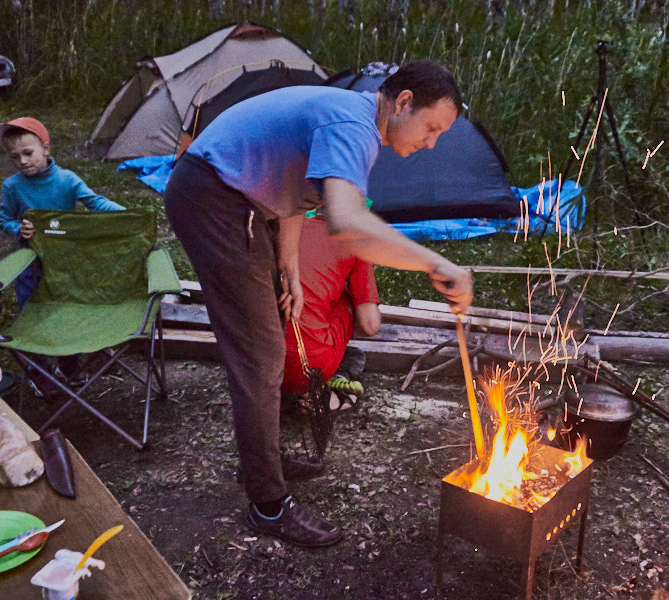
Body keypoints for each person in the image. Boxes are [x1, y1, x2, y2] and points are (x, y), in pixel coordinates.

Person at [163, 60, 473, 549]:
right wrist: (436, 263)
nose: (430, 142)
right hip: (214, 197)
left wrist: (289, 267)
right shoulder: (353, 124)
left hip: (241, 198)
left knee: (269, 330)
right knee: (260, 354)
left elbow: (294, 195)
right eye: (431, 128)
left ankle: (259, 454)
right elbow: (347, 224)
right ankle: (267, 503)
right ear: (405, 102)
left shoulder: (354, 117)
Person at [0, 117, 125, 393]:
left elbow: (94, 202)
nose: (23, 161)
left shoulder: (66, 180)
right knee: (36, 315)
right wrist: (18, 228)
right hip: (31, 265)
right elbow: (4, 220)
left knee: (67, 312)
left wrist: (127, 215)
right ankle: (39, 372)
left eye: (28, 153)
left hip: (65, 262)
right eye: (14, 157)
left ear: (45, 148)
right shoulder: (12, 187)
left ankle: (70, 365)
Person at [280, 212, 381, 411]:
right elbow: (370, 325)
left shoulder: (281, 230)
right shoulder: (354, 238)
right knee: (347, 302)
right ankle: (319, 395)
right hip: (308, 370)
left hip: (257, 368)